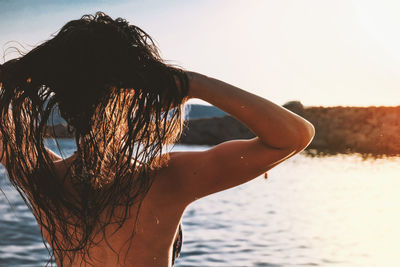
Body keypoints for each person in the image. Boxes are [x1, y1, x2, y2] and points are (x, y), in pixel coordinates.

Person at [0, 12, 314, 267]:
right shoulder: (166, 179)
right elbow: (294, 136)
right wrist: (188, 83)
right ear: (133, 95)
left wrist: (11, 75)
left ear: (65, 105)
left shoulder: (41, 177)